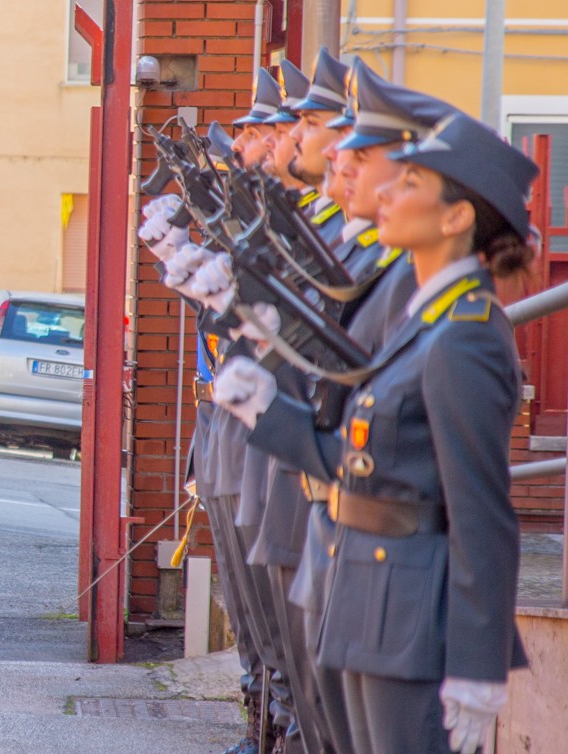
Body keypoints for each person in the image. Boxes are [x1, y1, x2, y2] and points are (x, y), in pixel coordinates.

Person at [216, 112, 536, 754]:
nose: (385, 193)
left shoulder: (465, 339)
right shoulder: (425, 322)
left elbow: (481, 514)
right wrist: (263, 411)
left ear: (455, 218)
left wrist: (478, 666)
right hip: (367, 592)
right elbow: (361, 463)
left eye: (409, 182)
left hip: (411, 613)